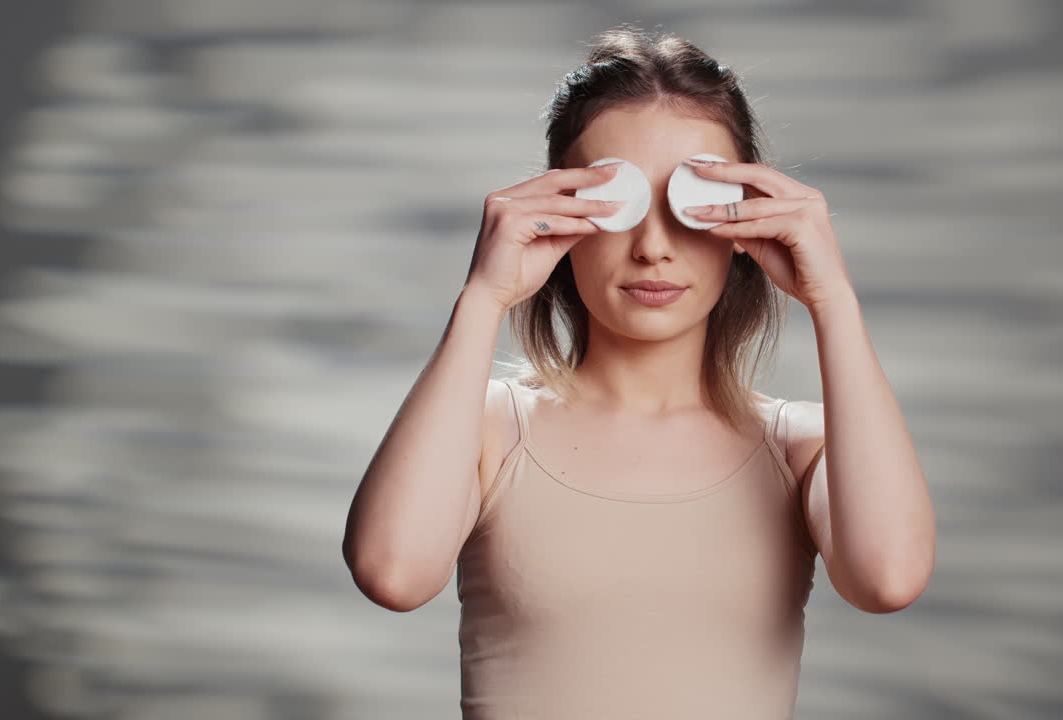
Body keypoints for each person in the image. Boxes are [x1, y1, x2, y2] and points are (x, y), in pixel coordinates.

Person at [342, 24, 935, 719]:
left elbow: (889, 579)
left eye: (690, 208)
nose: (654, 248)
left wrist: (831, 297)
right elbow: (393, 573)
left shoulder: (802, 447)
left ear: (746, 227)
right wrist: (484, 296)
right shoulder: (489, 431)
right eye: (618, 207)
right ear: (560, 215)